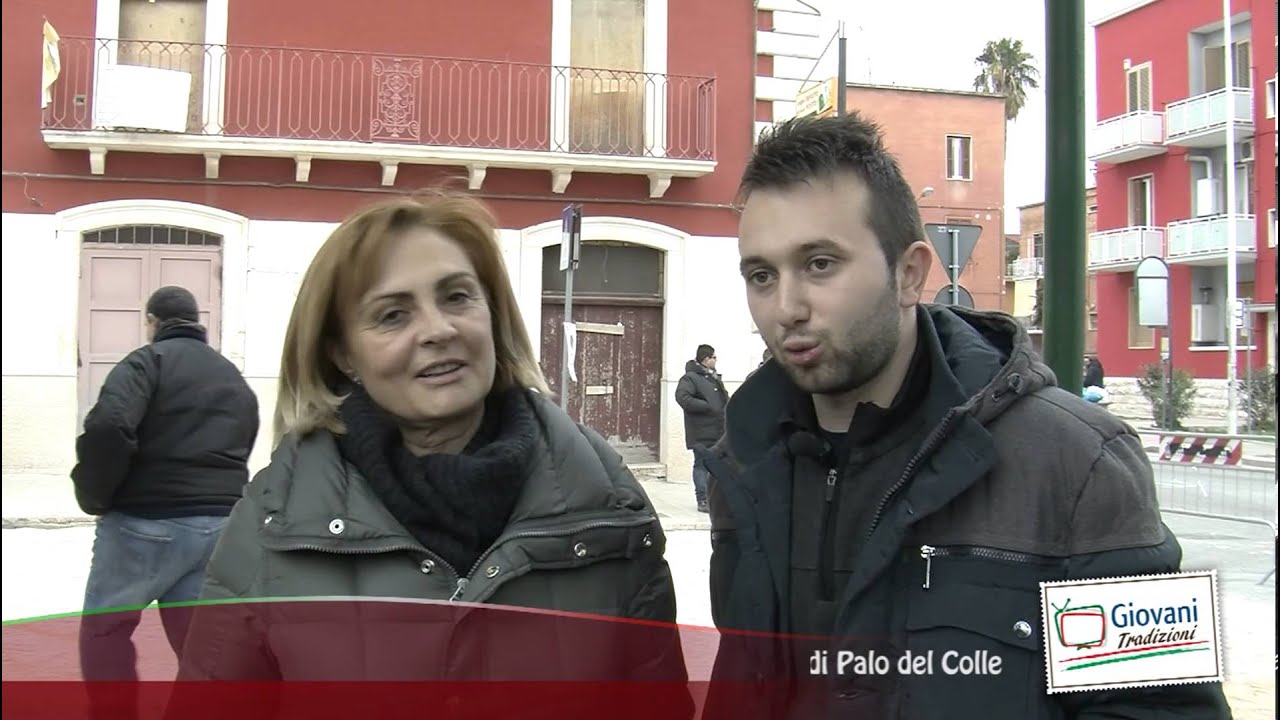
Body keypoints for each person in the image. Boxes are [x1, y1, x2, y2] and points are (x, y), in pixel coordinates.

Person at [700, 113, 1231, 718]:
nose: (786, 307)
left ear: (909, 273)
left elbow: (1166, 710)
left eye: (820, 264)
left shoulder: (1079, 462)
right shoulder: (742, 460)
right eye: (762, 275)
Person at [174, 193, 690, 715]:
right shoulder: (273, 521)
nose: (439, 330)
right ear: (343, 354)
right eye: (393, 314)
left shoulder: (608, 505)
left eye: (458, 297)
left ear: (492, 314)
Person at [73, 286, 260, 687]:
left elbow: (108, 426)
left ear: (153, 322)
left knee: (106, 629)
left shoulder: (145, 363)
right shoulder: (231, 376)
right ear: (196, 322)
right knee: (200, 644)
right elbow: (244, 437)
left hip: (145, 521)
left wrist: (94, 495)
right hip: (218, 528)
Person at [675, 344, 729, 513]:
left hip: (718, 429)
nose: (715, 360)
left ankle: (716, 498)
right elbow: (682, 397)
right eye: (714, 357)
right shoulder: (690, 378)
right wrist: (707, 406)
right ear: (706, 359)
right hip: (700, 430)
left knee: (717, 464)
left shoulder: (712, 377)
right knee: (701, 464)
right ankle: (703, 499)